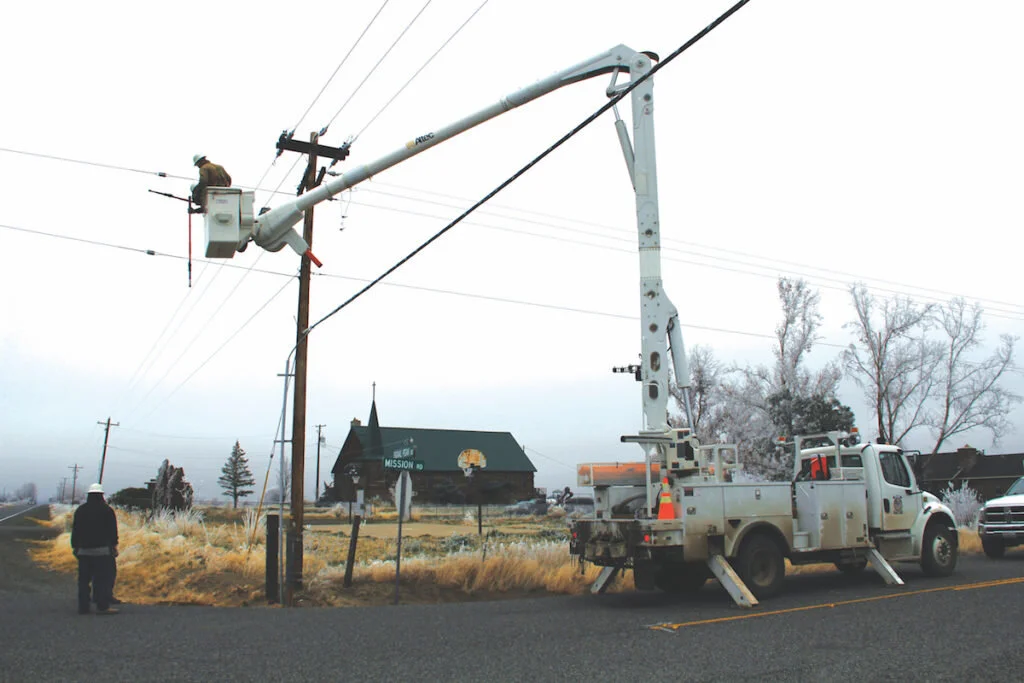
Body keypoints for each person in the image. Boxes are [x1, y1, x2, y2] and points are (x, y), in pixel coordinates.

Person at [71, 483, 119, 615]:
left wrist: (75, 547)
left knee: (83, 580)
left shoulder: (81, 510)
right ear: (101, 495)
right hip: (102, 551)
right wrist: (114, 546)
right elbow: (112, 531)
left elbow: (75, 530)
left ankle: (83, 607)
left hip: (84, 551)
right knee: (101, 580)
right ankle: (102, 606)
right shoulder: (107, 510)